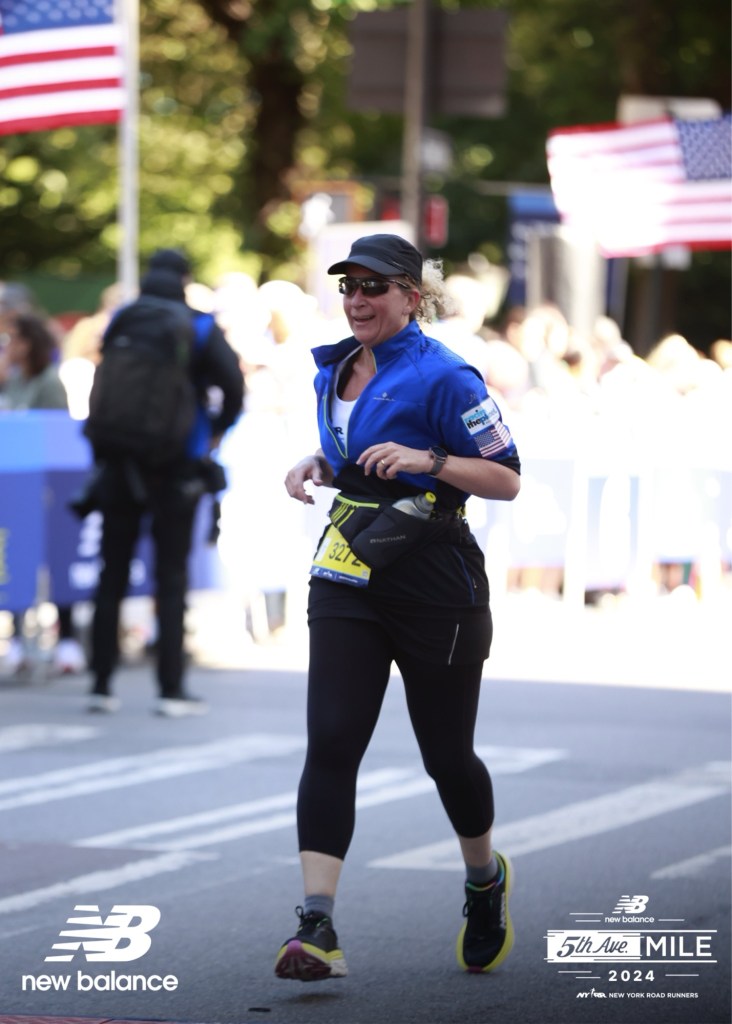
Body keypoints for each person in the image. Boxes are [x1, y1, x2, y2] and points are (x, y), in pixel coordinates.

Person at [275, 234, 521, 981]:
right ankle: (316, 924)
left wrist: (430, 461)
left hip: (436, 581)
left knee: (446, 755)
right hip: (347, 575)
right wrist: (319, 462)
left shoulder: (447, 375)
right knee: (333, 738)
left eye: (374, 288)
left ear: (412, 296)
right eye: (348, 286)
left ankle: (484, 880)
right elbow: (357, 454)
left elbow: (507, 478)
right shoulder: (335, 368)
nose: (357, 300)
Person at [85, 249, 244, 716]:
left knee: (111, 572)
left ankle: (101, 684)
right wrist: (215, 429)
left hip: (118, 461)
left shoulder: (122, 318)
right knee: (171, 575)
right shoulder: (197, 326)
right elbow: (233, 387)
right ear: (185, 279)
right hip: (176, 463)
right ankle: (170, 689)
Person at [0, 311, 86, 674]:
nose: (9, 347)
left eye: (15, 340)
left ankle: (66, 639)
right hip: (16, 486)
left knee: (54, 559)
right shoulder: (14, 381)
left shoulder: (49, 383)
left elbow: (56, 436)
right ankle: (18, 639)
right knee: (16, 560)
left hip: (44, 486)